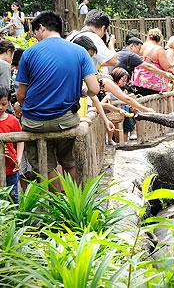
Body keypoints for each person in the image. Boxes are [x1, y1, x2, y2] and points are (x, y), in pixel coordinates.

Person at [15, 11, 106, 188]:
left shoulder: (29, 53)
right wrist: (81, 91)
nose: (35, 37)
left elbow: (21, 95)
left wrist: (25, 106)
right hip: (66, 120)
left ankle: (56, 204)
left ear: (41, 27)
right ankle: (73, 202)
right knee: (69, 161)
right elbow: (94, 89)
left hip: (35, 122)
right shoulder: (80, 52)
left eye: (35, 32)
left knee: (45, 164)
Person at [131, 28, 174, 96]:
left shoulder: (141, 47)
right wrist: (173, 66)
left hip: (138, 80)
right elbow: (166, 67)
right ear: (159, 39)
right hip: (152, 83)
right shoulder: (158, 49)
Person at [0, 86, 23, 201]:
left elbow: (20, 140)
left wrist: (18, 158)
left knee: (13, 198)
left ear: (8, 103)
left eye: (3, 104)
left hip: (11, 166)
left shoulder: (13, 120)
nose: (0, 107)